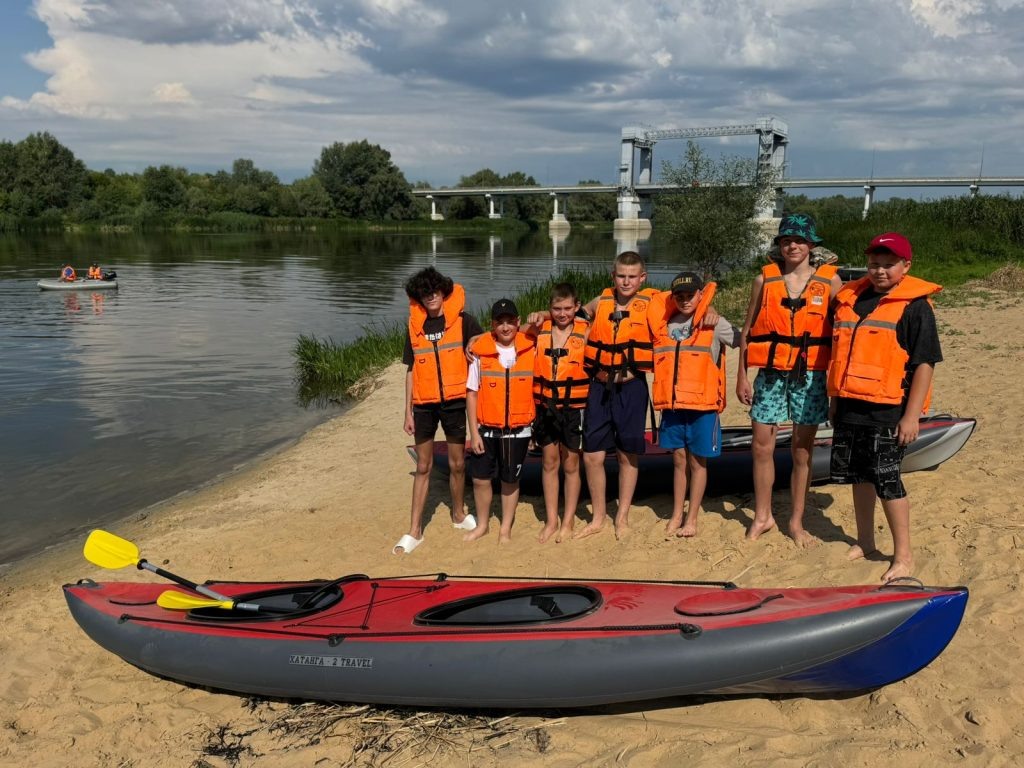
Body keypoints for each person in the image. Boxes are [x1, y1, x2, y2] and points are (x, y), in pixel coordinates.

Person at [828, 232, 942, 582]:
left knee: (888, 481)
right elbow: (839, 356)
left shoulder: (915, 307)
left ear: (906, 266)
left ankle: (903, 556)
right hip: (850, 407)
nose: (879, 270)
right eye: (874, 263)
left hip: (888, 412)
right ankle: (866, 541)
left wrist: (911, 416)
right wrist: (835, 400)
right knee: (858, 476)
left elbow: (924, 364)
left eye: (888, 264)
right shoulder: (851, 299)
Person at [737, 214, 843, 546]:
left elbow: (842, 336)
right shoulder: (763, 281)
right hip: (770, 374)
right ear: (779, 245)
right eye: (786, 241)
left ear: (811, 245)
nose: (792, 246)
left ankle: (796, 521)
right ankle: (763, 516)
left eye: (799, 240)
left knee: (802, 450)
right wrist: (741, 376)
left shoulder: (831, 282)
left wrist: (837, 388)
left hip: (810, 376)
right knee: (761, 446)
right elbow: (747, 331)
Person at [394, 267, 482, 555]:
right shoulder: (414, 326)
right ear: (419, 297)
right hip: (423, 405)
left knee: (457, 464)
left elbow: (483, 344)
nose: (431, 296)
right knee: (423, 466)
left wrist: (475, 342)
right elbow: (410, 370)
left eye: (435, 290)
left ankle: (458, 514)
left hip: (454, 402)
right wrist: (407, 411)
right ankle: (414, 531)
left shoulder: (465, 321)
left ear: (444, 291)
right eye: (425, 293)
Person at [575, 250, 660, 540]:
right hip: (599, 386)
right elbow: (573, 316)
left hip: (631, 387)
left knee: (627, 454)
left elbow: (687, 307)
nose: (626, 282)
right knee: (592, 456)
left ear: (642, 278)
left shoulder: (651, 303)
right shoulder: (601, 301)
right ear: (613, 276)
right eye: (621, 276)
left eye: (632, 277)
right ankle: (598, 516)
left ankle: (621, 517)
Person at [649, 272, 740, 538]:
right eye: (679, 296)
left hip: (703, 406)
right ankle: (677, 513)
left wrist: (712, 310)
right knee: (679, 460)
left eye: (691, 295)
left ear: (701, 295)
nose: (685, 300)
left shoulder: (713, 322)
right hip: (673, 406)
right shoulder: (664, 323)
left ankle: (692, 518)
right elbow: (655, 300)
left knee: (698, 462)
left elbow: (741, 339)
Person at [463, 299, 537, 543]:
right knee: (480, 479)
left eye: (510, 322)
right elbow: (472, 393)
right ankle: (483, 524)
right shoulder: (480, 353)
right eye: (500, 322)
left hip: (518, 431)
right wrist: (474, 433)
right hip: (486, 429)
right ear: (492, 324)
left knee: (510, 480)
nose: (505, 327)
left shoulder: (531, 348)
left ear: (518, 322)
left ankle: (505, 528)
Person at [528, 283, 589, 543]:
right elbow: (507, 333)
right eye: (556, 309)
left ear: (576, 307)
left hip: (574, 408)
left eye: (567, 308)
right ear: (550, 308)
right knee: (549, 461)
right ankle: (552, 519)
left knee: (571, 463)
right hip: (545, 407)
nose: (562, 314)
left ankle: (568, 519)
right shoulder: (539, 329)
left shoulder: (587, 331)